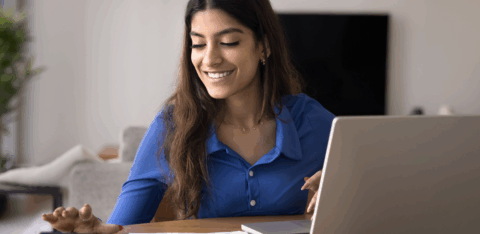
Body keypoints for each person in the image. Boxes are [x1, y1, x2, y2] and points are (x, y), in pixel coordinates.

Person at [42, 0, 335, 233]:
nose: (209, 59)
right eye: (198, 43)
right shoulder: (172, 126)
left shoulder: (309, 119)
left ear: (264, 46)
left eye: (229, 42)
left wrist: (338, 187)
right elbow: (124, 224)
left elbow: (374, 191)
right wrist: (97, 231)